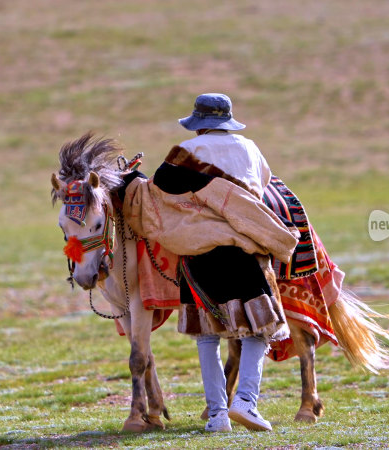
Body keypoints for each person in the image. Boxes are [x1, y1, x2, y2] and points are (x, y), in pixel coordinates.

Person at [121, 93, 296, 432]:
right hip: (244, 251)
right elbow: (258, 190)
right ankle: (245, 401)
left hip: (198, 255)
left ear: (199, 125)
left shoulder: (186, 153)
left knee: (207, 336)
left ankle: (217, 416)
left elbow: (158, 192)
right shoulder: (250, 148)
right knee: (259, 329)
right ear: (227, 121)